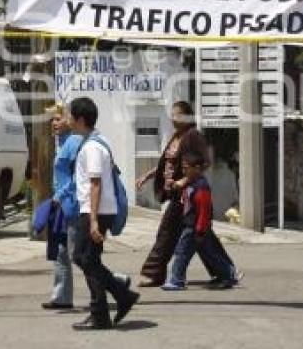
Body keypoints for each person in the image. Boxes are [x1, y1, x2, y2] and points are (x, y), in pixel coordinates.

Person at [136, 101, 237, 287]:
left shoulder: (193, 136)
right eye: (173, 114)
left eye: (179, 114)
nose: (174, 118)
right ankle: (226, 270)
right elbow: (166, 164)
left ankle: (156, 273)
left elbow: (204, 162)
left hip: (189, 194)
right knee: (201, 236)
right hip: (176, 193)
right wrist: (148, 175)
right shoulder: (176, 137)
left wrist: (184, 181)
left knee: (172, 233)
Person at [69, 97, 140, 330]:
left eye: (71, 116)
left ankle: (114, 300)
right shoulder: (93, 142)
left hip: (95, 211)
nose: (68, 120)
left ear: (80, 119)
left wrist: (93, 221)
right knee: (86, 258)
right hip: (94, 210)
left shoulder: (92, 147)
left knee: (84, 258)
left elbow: (96, 184)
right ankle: (110, 304)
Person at [162, 152, 237, 291]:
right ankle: (227, 274)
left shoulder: (201, 186)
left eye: (186, 168)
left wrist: (200, 229)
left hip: (195, 227)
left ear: (196, 168)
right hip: (193, 225)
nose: (184, 171)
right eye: (183, 168)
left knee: (182, 251)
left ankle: (176, 280)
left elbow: (204, 210)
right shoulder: (190, 183)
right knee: (210, 253)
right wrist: (174, 186)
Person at [41, 103, 83, 310]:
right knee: (60, 250)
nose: (54, 123)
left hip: (72, 205)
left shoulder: (74, 142)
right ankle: (61, 297)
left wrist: (61, 194)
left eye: (58, 119)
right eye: (52, 120)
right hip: (61, 205)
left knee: (79, 254)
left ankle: (116, 283)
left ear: (69, 120)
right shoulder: (61, 142)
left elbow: (78, 176)